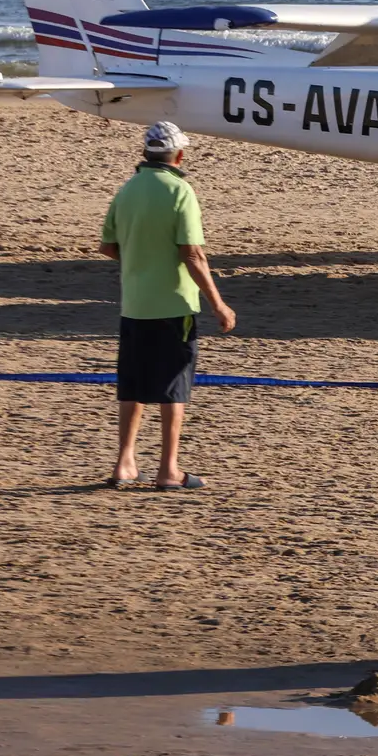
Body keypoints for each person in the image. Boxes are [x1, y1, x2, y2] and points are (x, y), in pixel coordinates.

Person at [98, 121, 236, 490]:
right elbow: (192, 254)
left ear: (146, 153)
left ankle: (124, 461)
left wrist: (141, 260)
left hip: (135, 304)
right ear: (179, 154)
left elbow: (109, 247)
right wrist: (219, 304)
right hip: (173, 305)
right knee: (173, 387)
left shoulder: (127, 190)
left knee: (134, 384)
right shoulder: (180, 190)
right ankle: (168, 469)